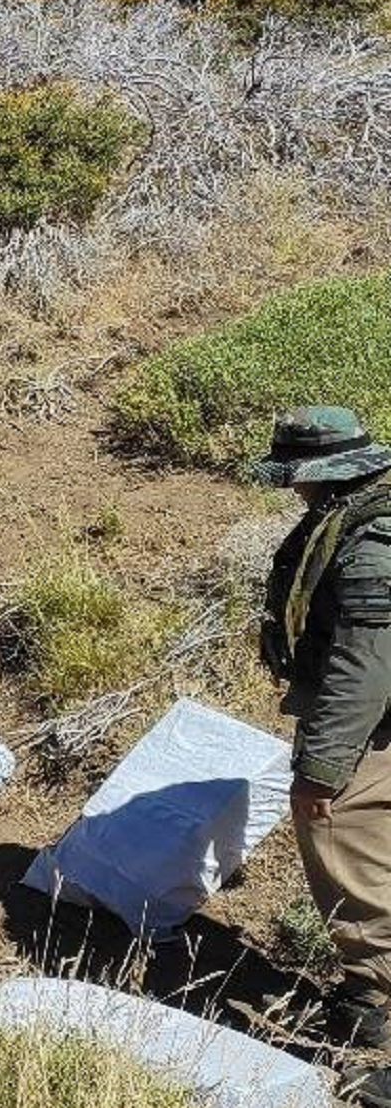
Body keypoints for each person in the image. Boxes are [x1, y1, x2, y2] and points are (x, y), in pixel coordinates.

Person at [257, 406, 391, 1103]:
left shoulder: (370, 544)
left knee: (357, 871)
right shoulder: (362, 516)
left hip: (372, 733)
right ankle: (366, 1003)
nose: (293, 492)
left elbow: (364, 668)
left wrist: (323, 771)